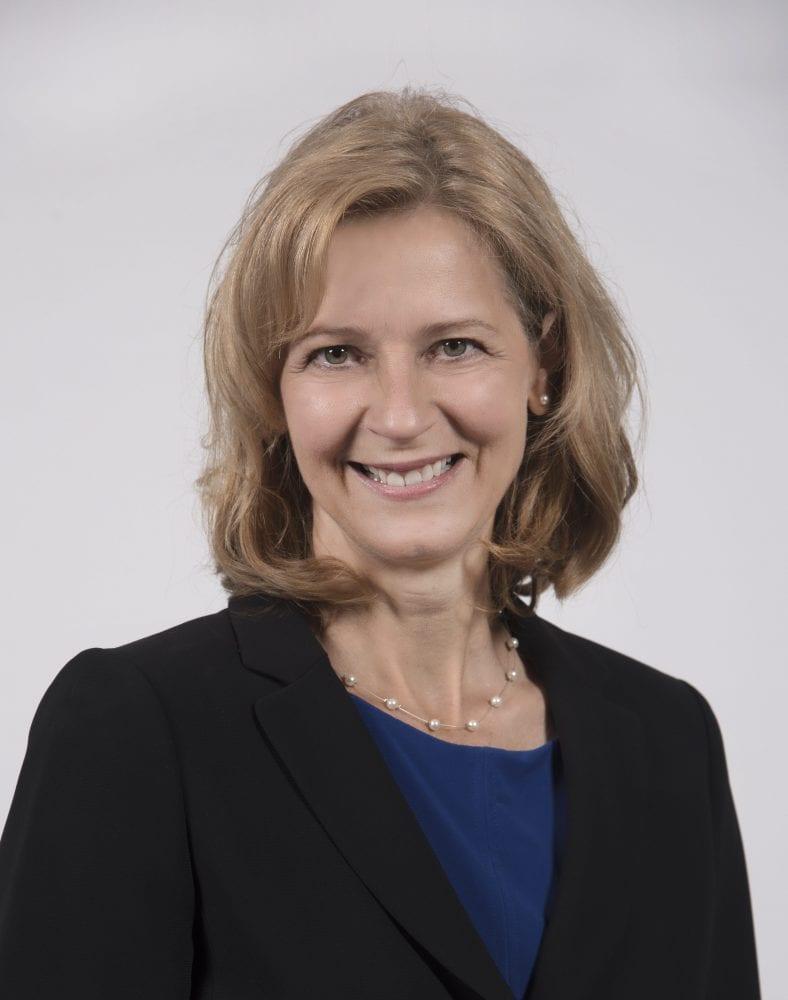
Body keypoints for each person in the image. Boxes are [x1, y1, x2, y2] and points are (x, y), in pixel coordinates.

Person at [0, 87, 761, 1000]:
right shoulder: (136, 730)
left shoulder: (669, 743)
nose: (399, 416)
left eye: (455, 346)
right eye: (336, 353)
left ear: (545, 365)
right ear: (274, 392)